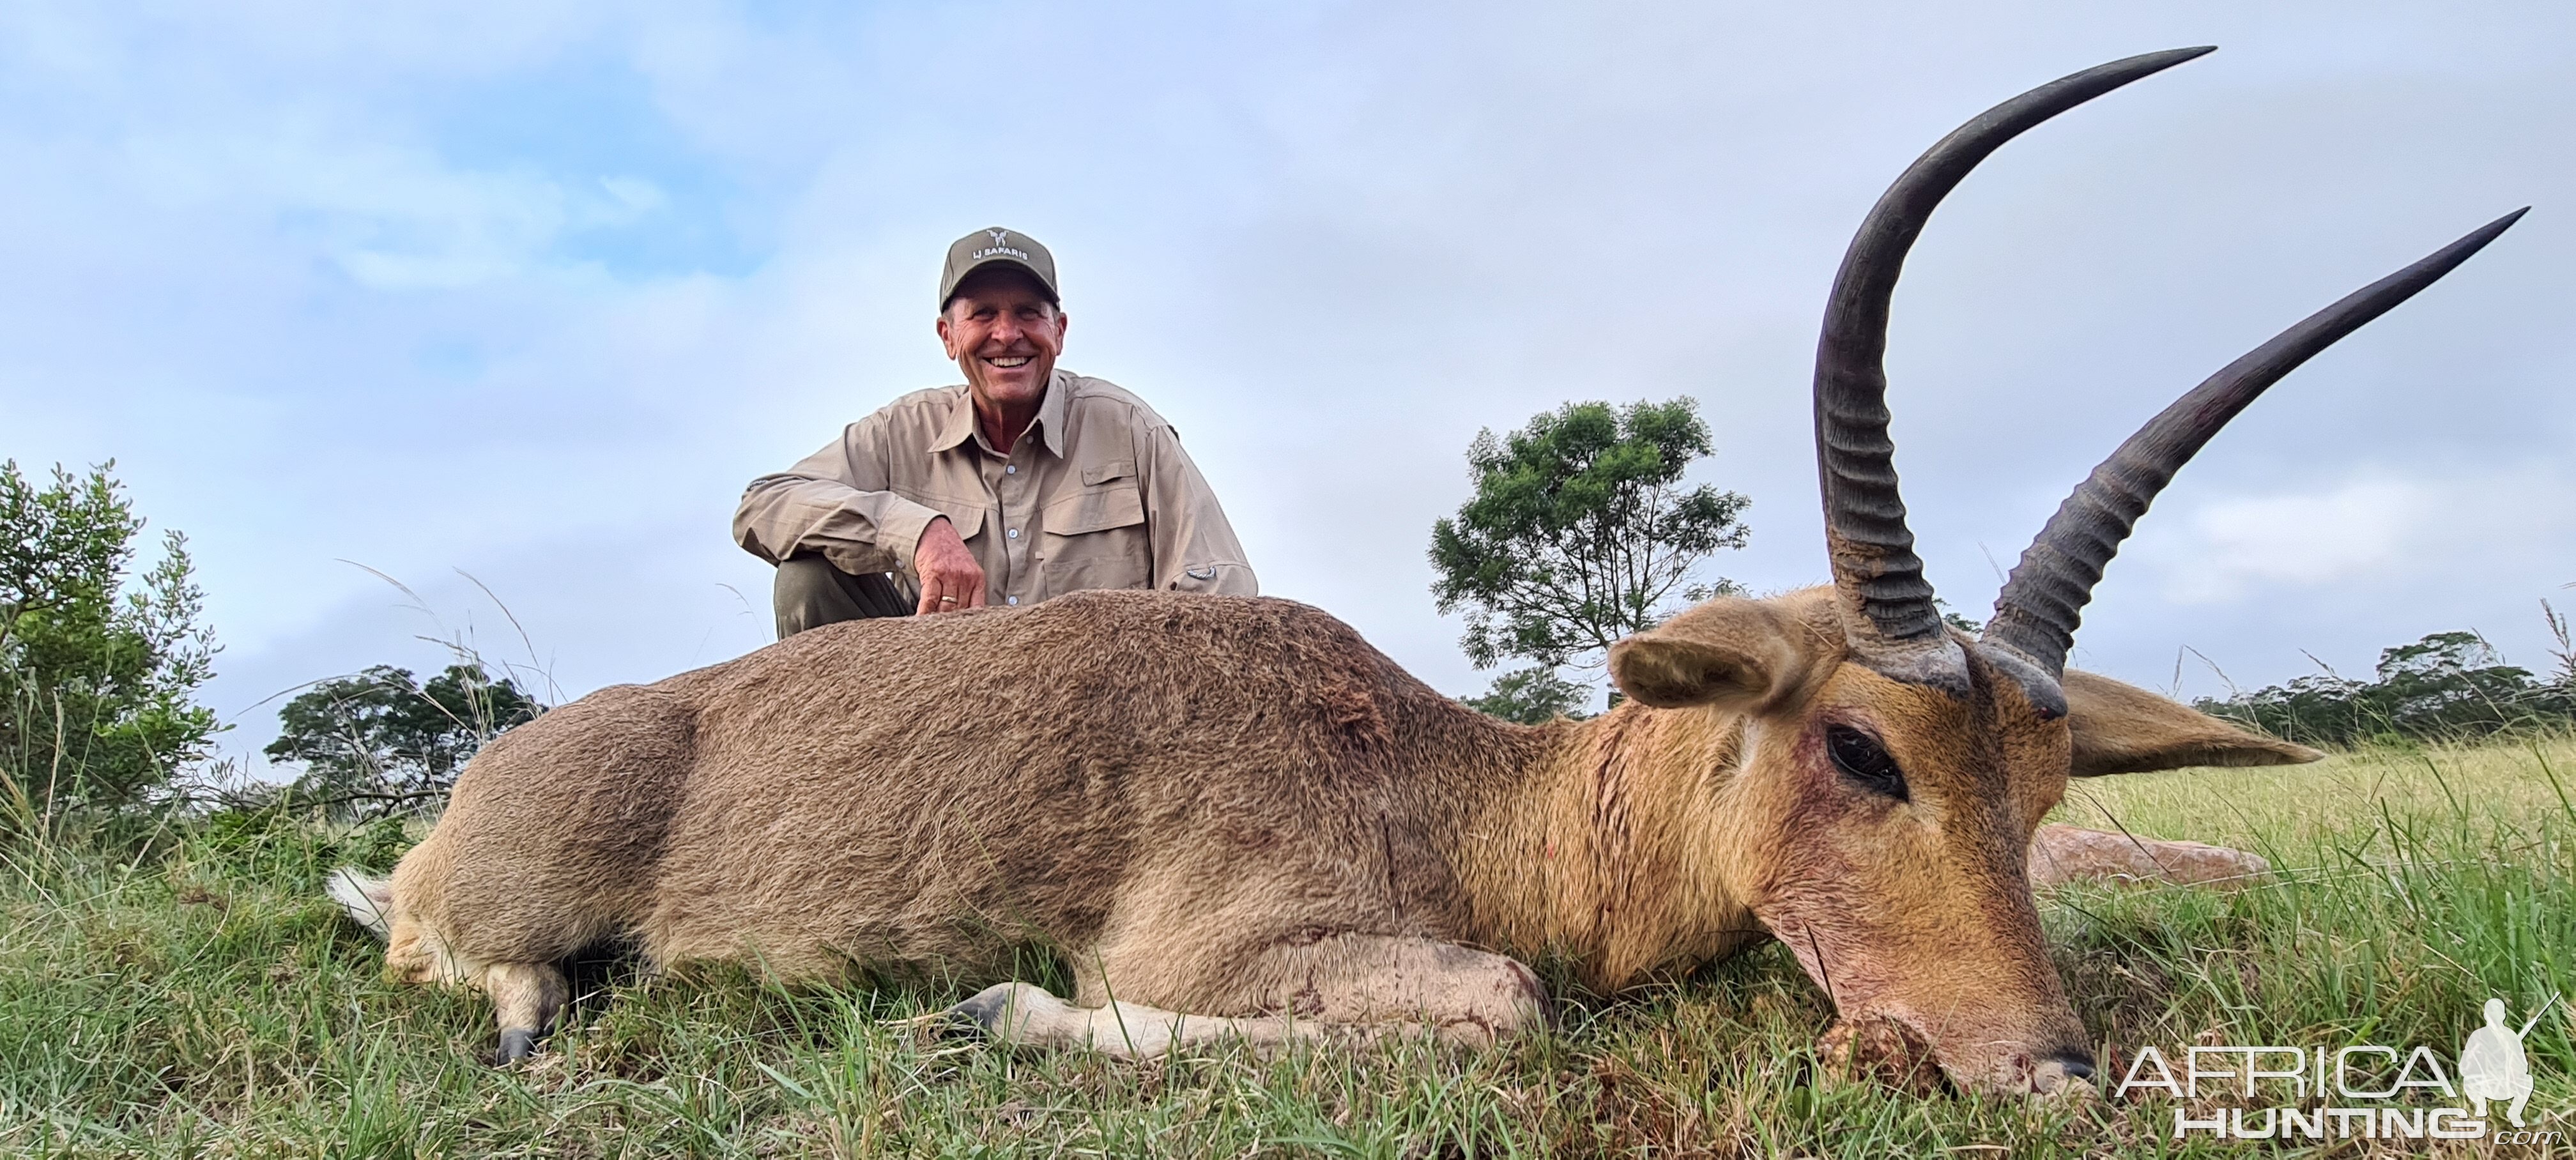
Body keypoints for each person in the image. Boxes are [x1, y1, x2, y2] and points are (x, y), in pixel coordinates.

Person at [734, 227, 1257, 638]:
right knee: (808, 579)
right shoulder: (901, 432)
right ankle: (846, 774)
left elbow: (1221, 586)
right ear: (948, 336)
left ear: (1060, 331)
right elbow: (763, 504)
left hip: (1096, 708)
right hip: (930, 704)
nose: (1007, 334)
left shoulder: (1130, 428)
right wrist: (917, 532)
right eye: (983, 314)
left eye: (1028, 313)